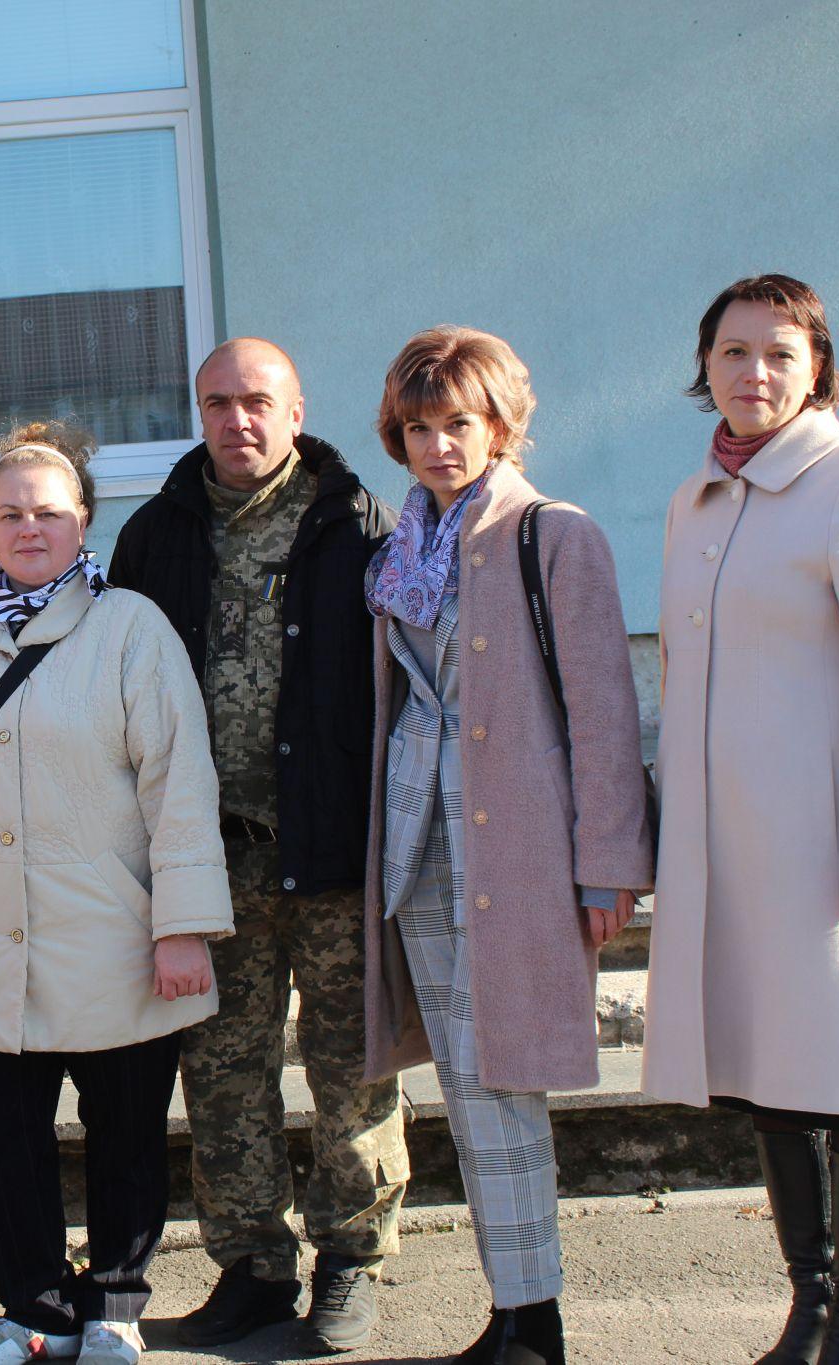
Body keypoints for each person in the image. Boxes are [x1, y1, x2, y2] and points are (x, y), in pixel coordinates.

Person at [0, 427, 234, 1365]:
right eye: (9, 512)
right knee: (1, 1138)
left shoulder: (132, 629)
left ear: (83, 519)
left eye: (48, 510)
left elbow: (179, 782)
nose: (28, 527)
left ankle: (114, 1305)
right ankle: (33, 1311)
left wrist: (185, 925)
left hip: (114, 932)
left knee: (125, 1133)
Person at [642, 275, 839, 1364]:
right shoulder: (694, 499)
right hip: (731, 851)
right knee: (773, 1080)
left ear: (817, 368)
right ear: (704, 365)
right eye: (732, 351)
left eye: (779, 353)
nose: (753, 372)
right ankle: (808, 1308)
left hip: (834, 848)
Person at [358, 327, 652, 1364]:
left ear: (500, 425)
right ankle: (519, 1314)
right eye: (418, 427)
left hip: (515, 850)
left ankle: (533, 1320)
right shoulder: (400, 546)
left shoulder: (551, 534)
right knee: (470, 1088)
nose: (438, 445)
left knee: (501, 1085)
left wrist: (608, 865)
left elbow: (604, 712)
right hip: (417, 848)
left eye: (458, 423)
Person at [108, 337, 407, 1351]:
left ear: (296, 411)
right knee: (223, 1072)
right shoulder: (157, 533)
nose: (236, 421)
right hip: (211, 861)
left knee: (350, 1068)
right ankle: (251, 1266)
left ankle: (351, 1259)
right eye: (217, 404)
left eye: (256, 402)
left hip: (332, 850)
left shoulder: (357, 522)